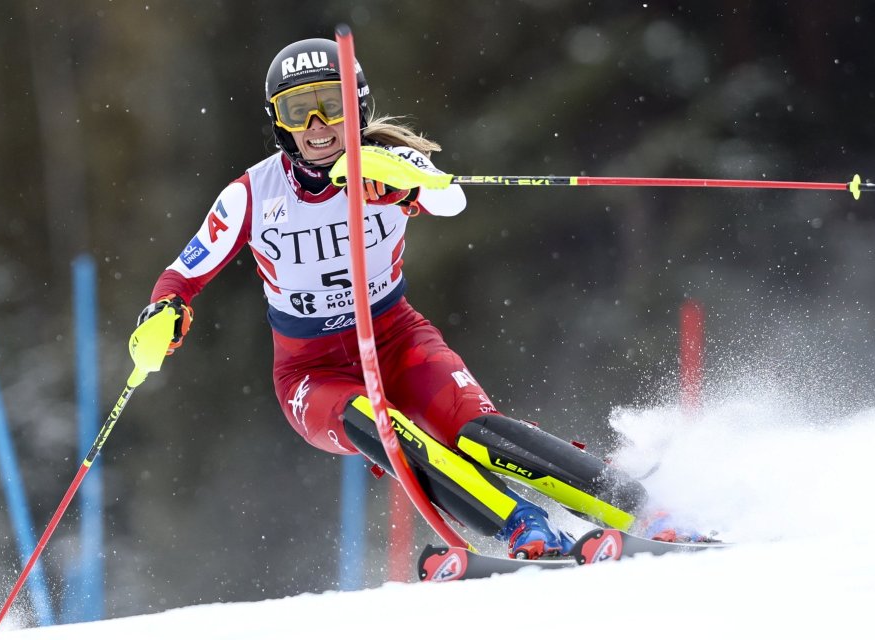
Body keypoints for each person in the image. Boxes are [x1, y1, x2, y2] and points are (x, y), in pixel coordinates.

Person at [137, 37, 663, 559]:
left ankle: (636, 505)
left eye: (331, 104)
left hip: (396, 337)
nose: (317, 126)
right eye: (299, 111)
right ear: (279, 120)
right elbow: (182, 274)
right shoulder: (252, 193)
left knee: (474, 431)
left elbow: (450, 199)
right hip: (310, 372)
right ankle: (524, 527)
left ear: (358, 107)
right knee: (382, 428)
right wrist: (165, 311)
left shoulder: (390, 160)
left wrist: (403, 188)